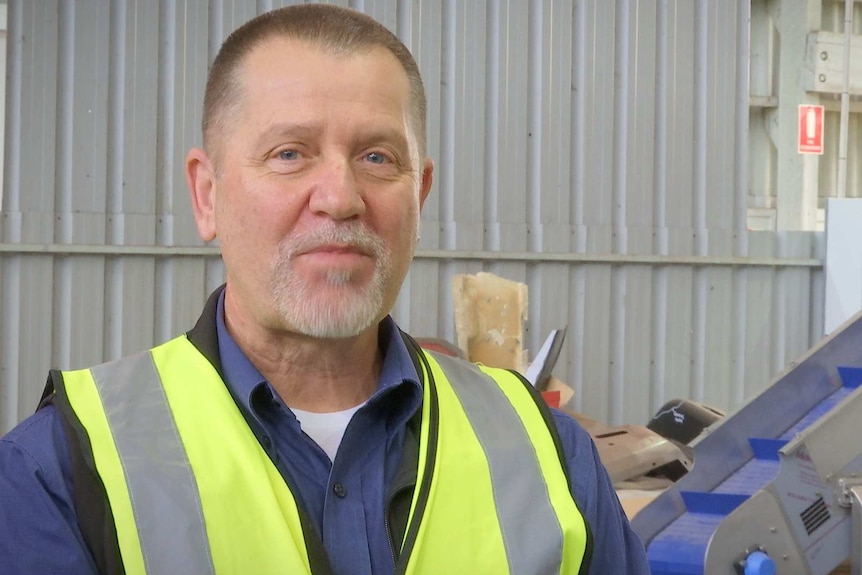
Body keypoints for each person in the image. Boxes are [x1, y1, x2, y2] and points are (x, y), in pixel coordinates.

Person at [0, 4, 651, 574]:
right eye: (289, 153)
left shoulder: (549, 455)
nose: (340, 198)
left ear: (418, 196)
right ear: (207, 194)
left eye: (377, 157)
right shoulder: (63, 470)